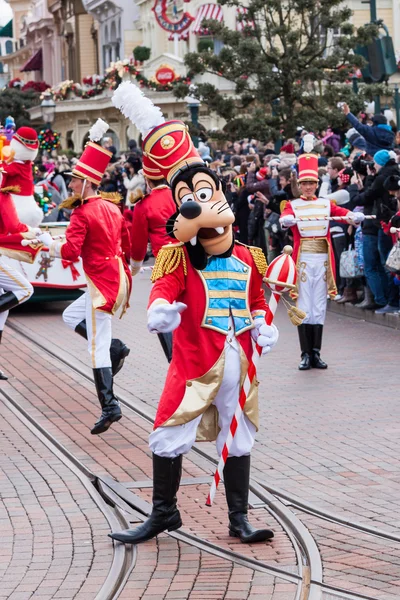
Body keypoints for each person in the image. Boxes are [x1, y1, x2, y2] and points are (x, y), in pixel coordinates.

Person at [110, 81, 279, 546]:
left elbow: (259, 300)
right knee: (168, 432)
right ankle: (164, 512)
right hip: (193, 365)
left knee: (239, 433)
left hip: (239, 364)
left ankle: (238, 518)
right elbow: (161, 292)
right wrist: (162, 310)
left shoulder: (248, 256)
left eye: (208, 192)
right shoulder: (178, 257)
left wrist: (264, 324)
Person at [37, 119, 132, 435]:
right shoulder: (111, 208)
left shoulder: (81, 212)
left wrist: (47, 244)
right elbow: (126, 242)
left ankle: (110, 405)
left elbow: (69, 252)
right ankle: (116, 349)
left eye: (75, 179)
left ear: (89, 182)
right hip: (113, 278)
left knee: (96, 348)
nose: (71, 184)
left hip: (99, 284)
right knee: (69, 316)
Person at [280, 153, 364, 370]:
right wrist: (285, 220)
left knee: (318, 306)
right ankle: (305, 354)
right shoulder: (293, 204)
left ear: (317, 185)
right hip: (304, 261)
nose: (308, 187)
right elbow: (285, 218)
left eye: (312, 183)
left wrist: (354, 216)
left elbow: (342, 213)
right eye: (305, 183)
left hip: (323, 261)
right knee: (303, 305)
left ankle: (316, 353)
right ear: (299, 185)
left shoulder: (326, 204)